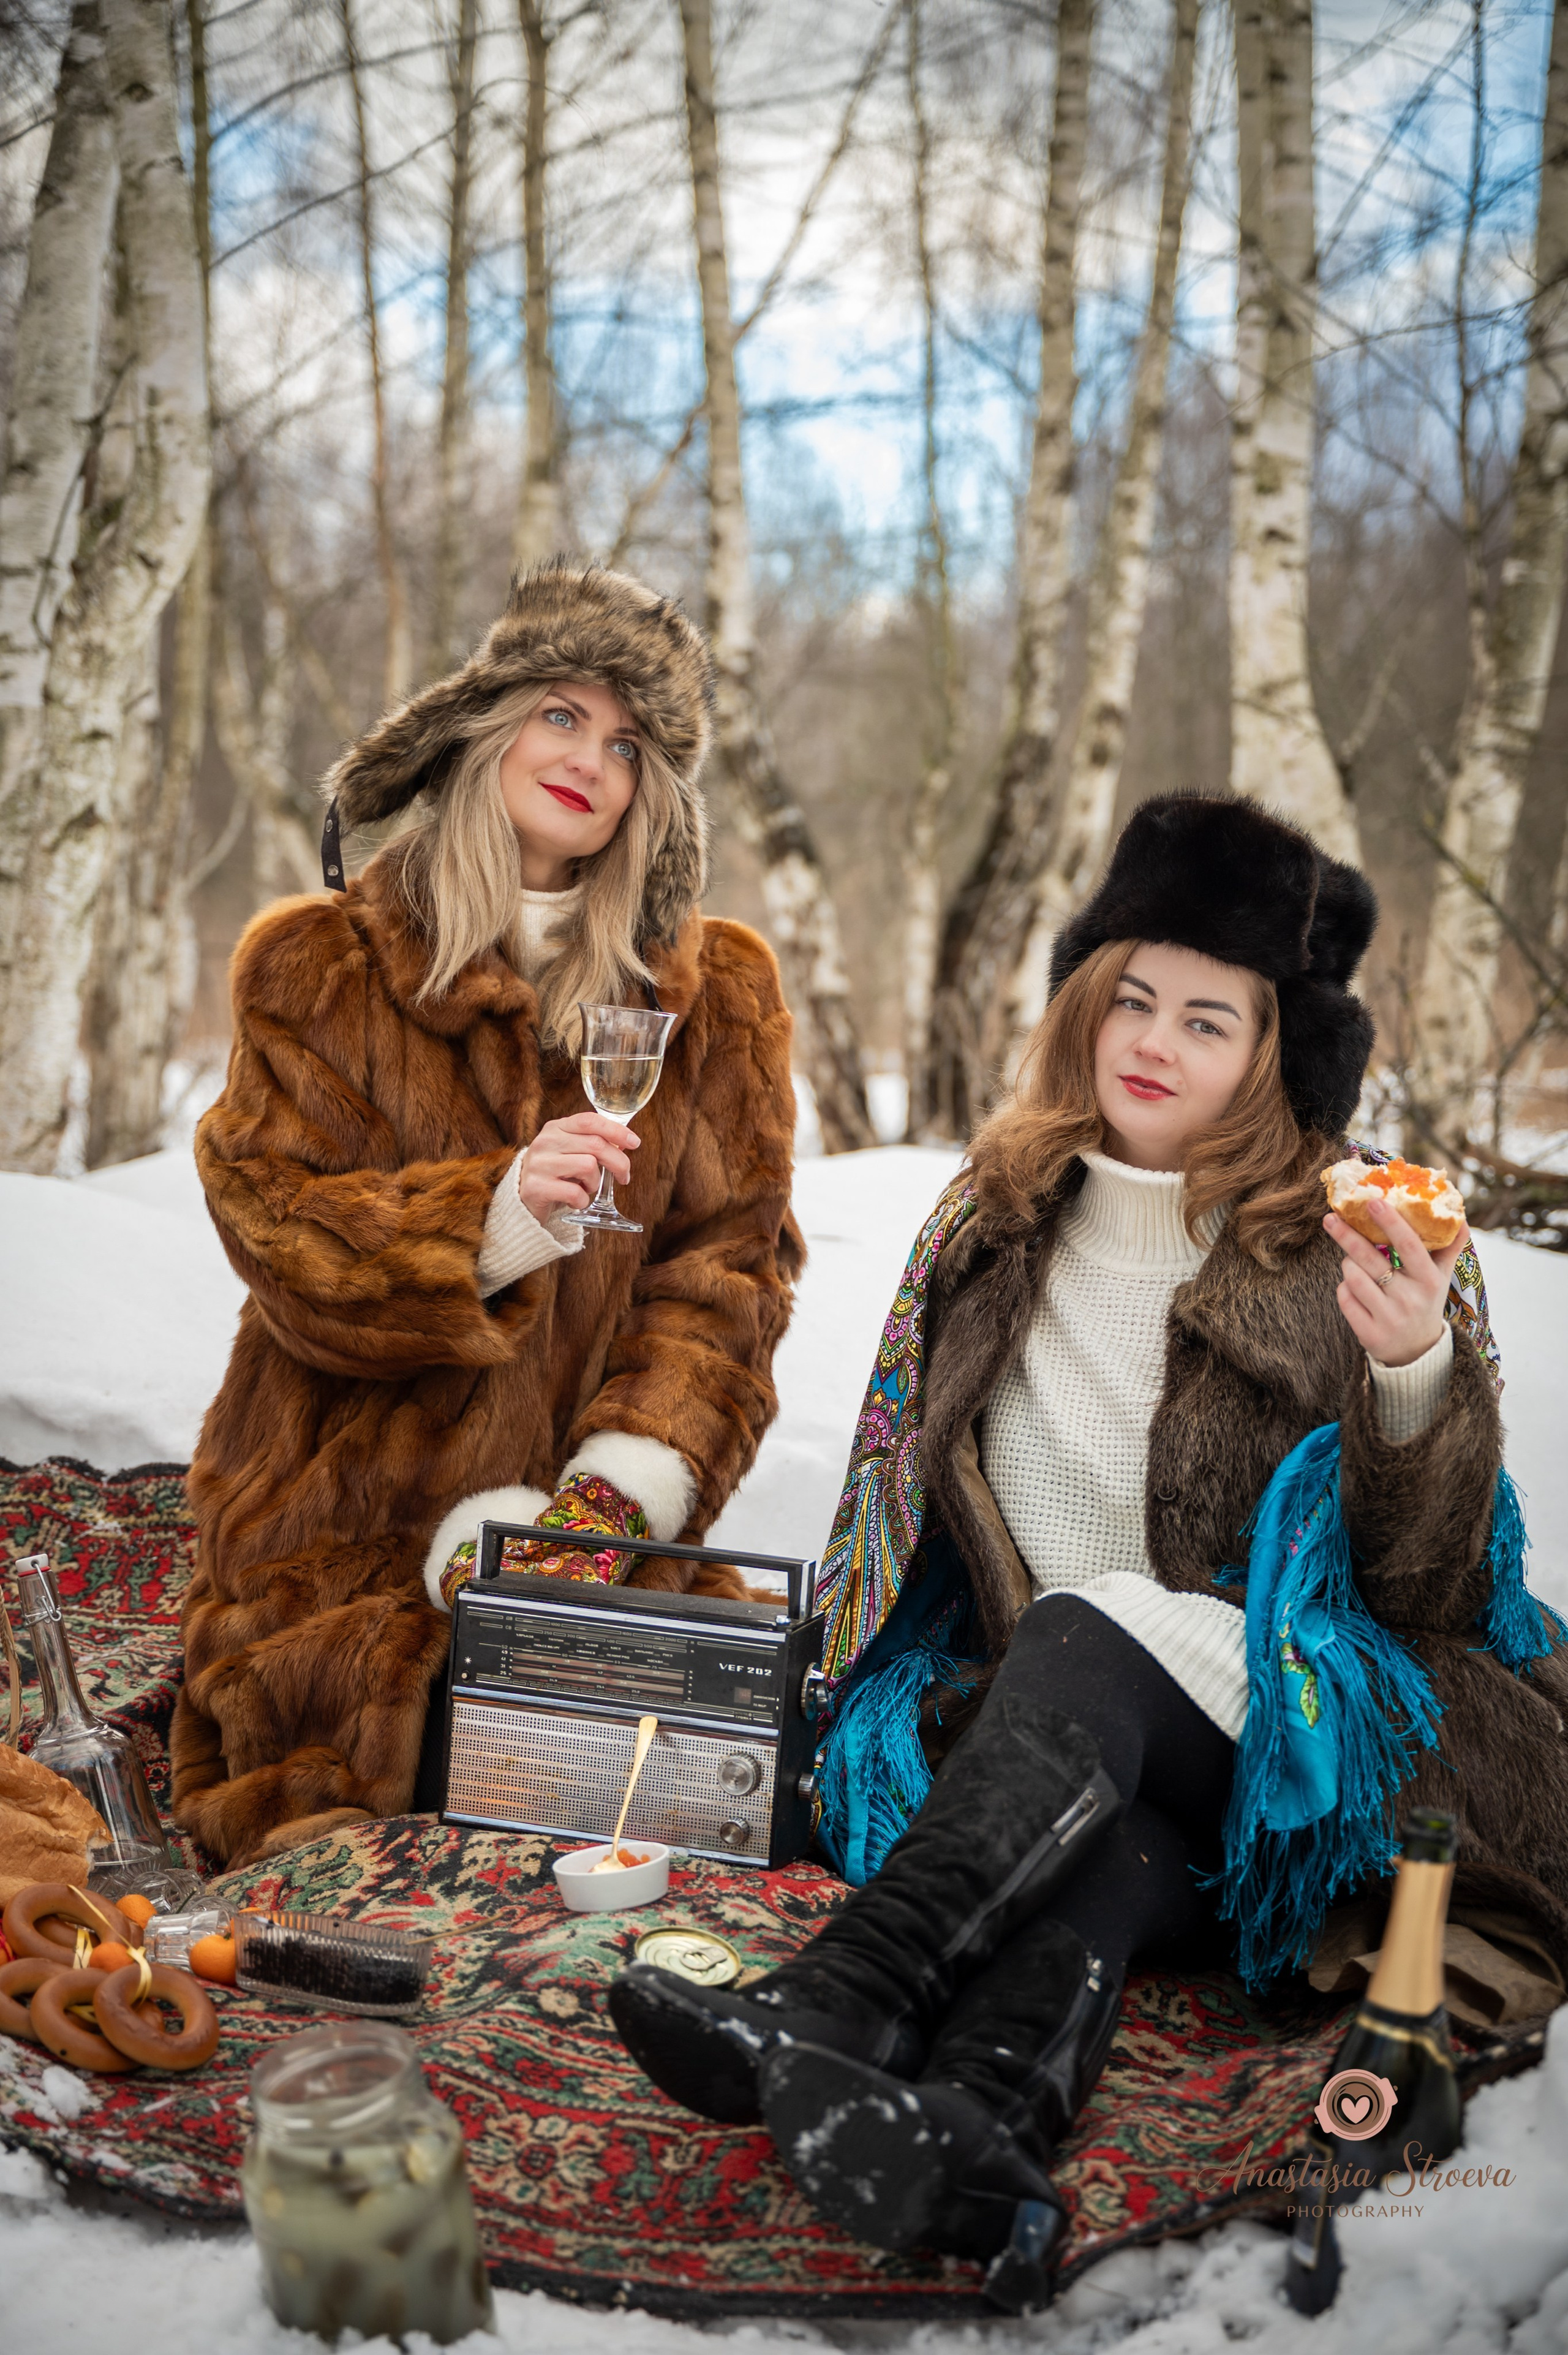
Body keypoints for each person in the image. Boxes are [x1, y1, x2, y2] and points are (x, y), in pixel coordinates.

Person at [611, 793, 1568, 2312]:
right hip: (1102, 1774)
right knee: (1105, 1864)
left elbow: (1428, 1596)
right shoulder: (987, 1226)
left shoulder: (1346, 1239)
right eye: (1131, 995)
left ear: (1273, 1052)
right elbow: (895, 1529)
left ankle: (836, 1997)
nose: (1154, 1041)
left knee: (1093, 1621)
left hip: (1317, 1749)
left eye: (1209, 1018)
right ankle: (984, 2137)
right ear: (1082, 999)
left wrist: (1410, 1379)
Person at [173, 562, 802, 1870]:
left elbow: (724, 1277)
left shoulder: (714, 995)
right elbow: (276, 1225)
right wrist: (493, 1221)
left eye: (627, 744)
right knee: (360, 1793)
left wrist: (611, 1502)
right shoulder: (320, 963)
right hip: (344, 1533)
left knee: (714, 1788)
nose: (589, 760)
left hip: (587, 1532)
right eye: (560, 715)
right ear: (484, 720)